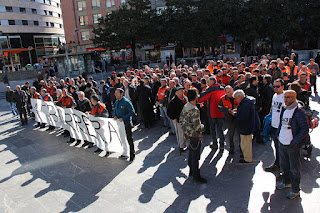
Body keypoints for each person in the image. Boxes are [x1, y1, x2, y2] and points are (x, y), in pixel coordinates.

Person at [276, 90, 309, 199]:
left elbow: (304, 129)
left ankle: (295, 189)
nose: (286, 99)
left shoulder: (299, 111)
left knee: (294, 168)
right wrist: (278, 135)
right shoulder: (284, 108)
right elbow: (281, 123)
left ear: (294, 98)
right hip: (282, 142)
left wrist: (294, 142)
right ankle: (286, 182)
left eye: (288, 97)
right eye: (285, 97)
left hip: (292, 145)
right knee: (284, 165)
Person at [180, 88, 207, 184]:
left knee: (191, 153)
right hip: (195, 135)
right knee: (195, 156)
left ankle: (191, 171)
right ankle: (196, 175)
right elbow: (197, 127)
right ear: (195, 96)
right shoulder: (194, 110)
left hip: (188, 134)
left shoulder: (187, 106)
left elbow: (182, 120)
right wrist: (203, 126)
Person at [198, 76, 226, 150]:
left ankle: (215, 144)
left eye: (209, 81)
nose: (208, 83)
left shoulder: (210, 89)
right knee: (220, 129)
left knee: (213, 129)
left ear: (213, 82)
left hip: (212, 112)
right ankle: (222, 144)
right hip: (221, 112)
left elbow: (201, 98)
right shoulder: (222, 88)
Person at [265, 79, 285, 172]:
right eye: (274, 86)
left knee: (282, 149)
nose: (275, 88)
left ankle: (283, 169)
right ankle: (277, 164)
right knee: (276, 147)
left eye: (278, 86)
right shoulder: (274, 96)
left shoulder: (285, 97)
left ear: (282, 87)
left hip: (281, 127)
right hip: (274, 125)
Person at [233, 89, 255, 163]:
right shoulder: (247, 102)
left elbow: (243, 116)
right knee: (245, 143)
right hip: (247, 126)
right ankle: (246, 155)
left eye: (236, 98)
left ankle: (247, 158)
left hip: (245, 127)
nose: (236, 100)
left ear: (239, 96)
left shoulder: (245, 104)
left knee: (246, 143)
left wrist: (235, 114)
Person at [114, 88, 135, 162]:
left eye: (117, 93)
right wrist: (115, 116)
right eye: (115, 93)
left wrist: (124, 118)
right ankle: (125, 152)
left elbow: (132, 112)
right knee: (122, 138)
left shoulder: (126, 102)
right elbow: (115, 110)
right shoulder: (116, 102)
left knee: (129, 139)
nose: (115, 94)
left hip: (126, 124)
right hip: (119, 124)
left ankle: (132, 154)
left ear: (121, 94)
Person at [167, 85, 188, 154]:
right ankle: (181, 146)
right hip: (178, 120)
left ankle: (187, 145)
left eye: (182, 91)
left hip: (186, 119)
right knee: (180, 134)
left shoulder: (185, 98)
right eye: (181, 91)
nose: (182, 92)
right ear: (177, 93)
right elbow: (169, 111)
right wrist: (173, 118)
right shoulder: (173, 101)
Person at [218, 86, 238, 154]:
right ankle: (231, 148)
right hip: (229, 117)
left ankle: (241, 148)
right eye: (228, 92)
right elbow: (219, 108)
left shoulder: (236, 96)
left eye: (231, 91)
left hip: (238, 117)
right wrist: (227, 110)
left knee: (240, 133)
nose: (230, 93)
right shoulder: (223, 98)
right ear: (226, 92)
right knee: (231, 134)